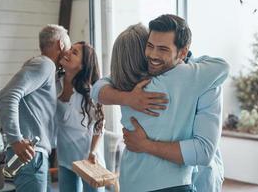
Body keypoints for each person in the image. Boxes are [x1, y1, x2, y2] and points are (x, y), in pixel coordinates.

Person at [92, 14, 229, 192]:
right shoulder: (189, 77)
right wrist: (129, 98)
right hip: (173, 184)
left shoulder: (123, 85)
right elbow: (222, 66)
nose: (153, 55)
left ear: (182, 52)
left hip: (131, 182)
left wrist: (127, 99)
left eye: (163, 49)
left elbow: (96, 89)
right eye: (149, 46)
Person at [0, 24, 71, 192]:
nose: (69, 52)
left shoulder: (47, 69)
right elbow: (6, 96)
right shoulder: (45, 65)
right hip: (30, 153)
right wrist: (16, 140)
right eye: (69, 46)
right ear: (60, 44)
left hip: (36, 155)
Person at [56, 41, 105, 192]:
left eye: (74, 52)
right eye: (70, 49)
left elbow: (100, 124)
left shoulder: (89, 93)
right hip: (64, 159)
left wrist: (93, 152)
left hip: (87, 159)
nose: (68, 52)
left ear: (82, 66)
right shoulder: (54, 82)